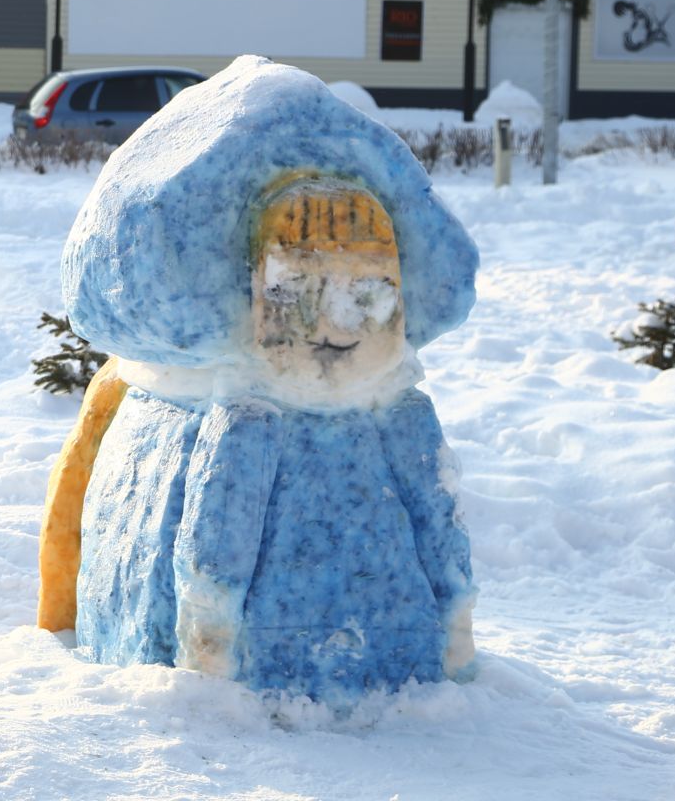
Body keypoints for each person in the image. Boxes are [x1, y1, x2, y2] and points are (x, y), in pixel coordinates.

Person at [37, 57, 479, 705]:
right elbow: (214, 556)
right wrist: (206, 655)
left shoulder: (396, 411)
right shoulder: (241, 421)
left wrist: (456, 624)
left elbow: (440, 525)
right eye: (298, 292)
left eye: (367, 294)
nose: (336, 324)